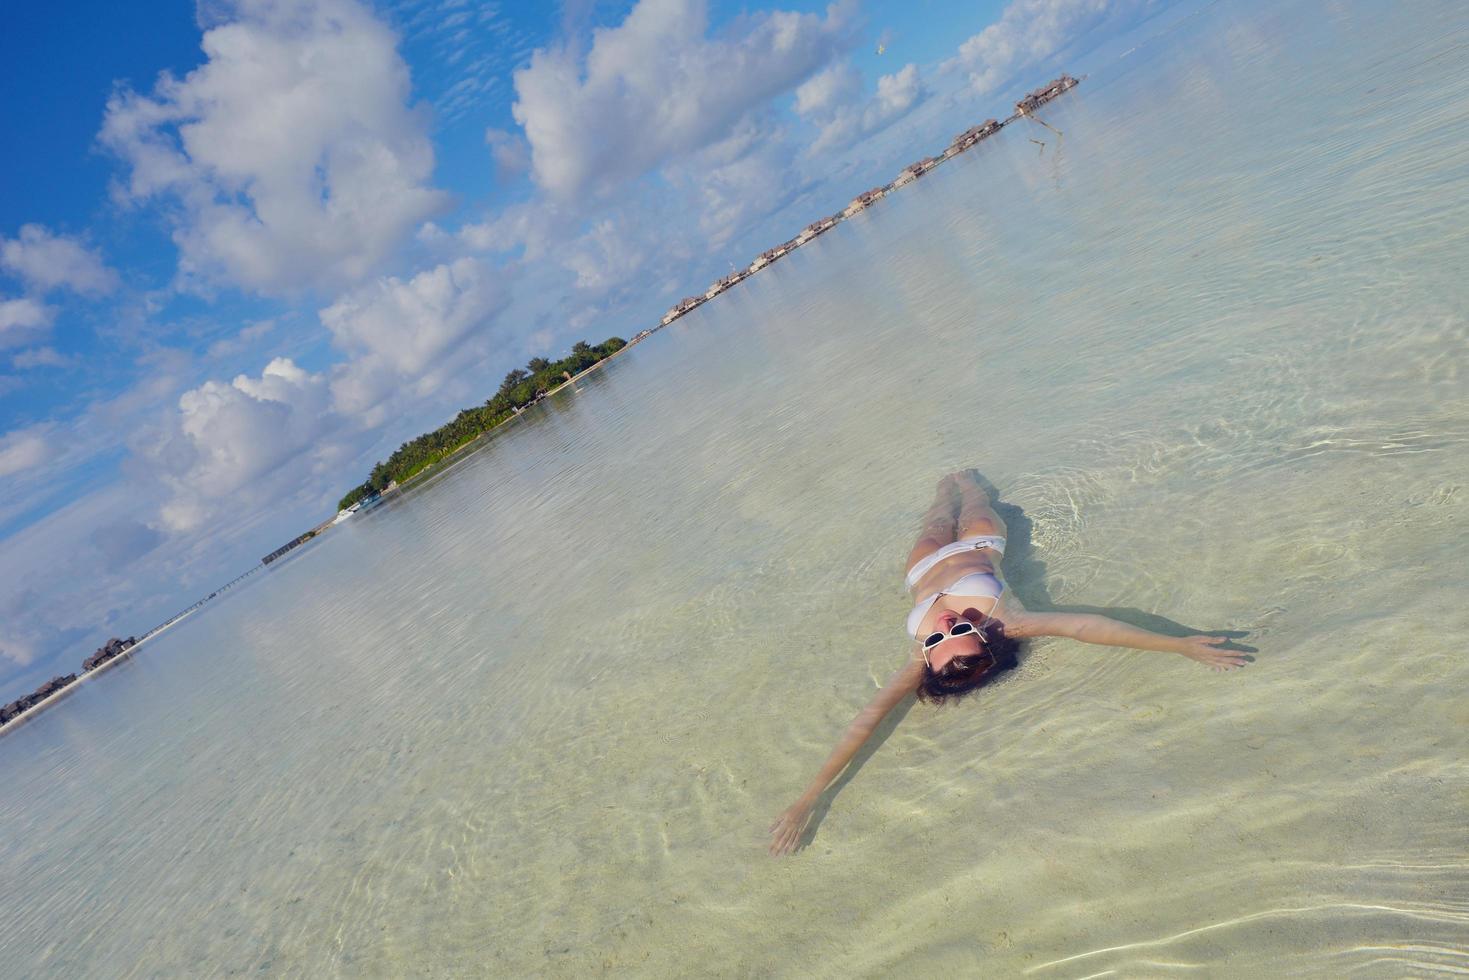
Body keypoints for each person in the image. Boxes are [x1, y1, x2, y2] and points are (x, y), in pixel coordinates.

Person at [768, 471, 1247, 856]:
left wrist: (807, 798)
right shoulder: (1006, 621)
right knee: (974, 507)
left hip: (921, 568)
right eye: (959, 632)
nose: (949, 623)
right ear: (984, 638)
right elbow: (1088, 626)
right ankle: (968, 484)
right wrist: (1178, 645)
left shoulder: (919, 660)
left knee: (935, 521)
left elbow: (866, 721)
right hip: (979, 544)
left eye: (941, 636)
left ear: (930, 658)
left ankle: (948, 485)